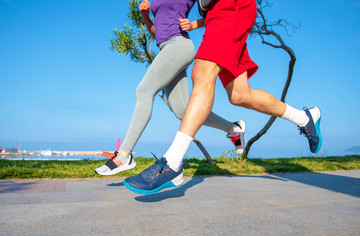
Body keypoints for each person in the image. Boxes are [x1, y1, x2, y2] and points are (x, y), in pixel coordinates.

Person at [124, 0, 322, 194]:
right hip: (219, 16)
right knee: (240, 95)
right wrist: (196, 23)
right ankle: (304, 118)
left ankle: (172, 163)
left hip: (232, 8)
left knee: (202, 72)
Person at [95, 0, 246, 176]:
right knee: (183, 111)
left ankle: (124, 155)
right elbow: (157, 34)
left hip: (179, 46)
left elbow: (216, 15)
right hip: (166, 48)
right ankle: (233, 129)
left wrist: (194, 24)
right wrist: (146, 16)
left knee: (143, 92)